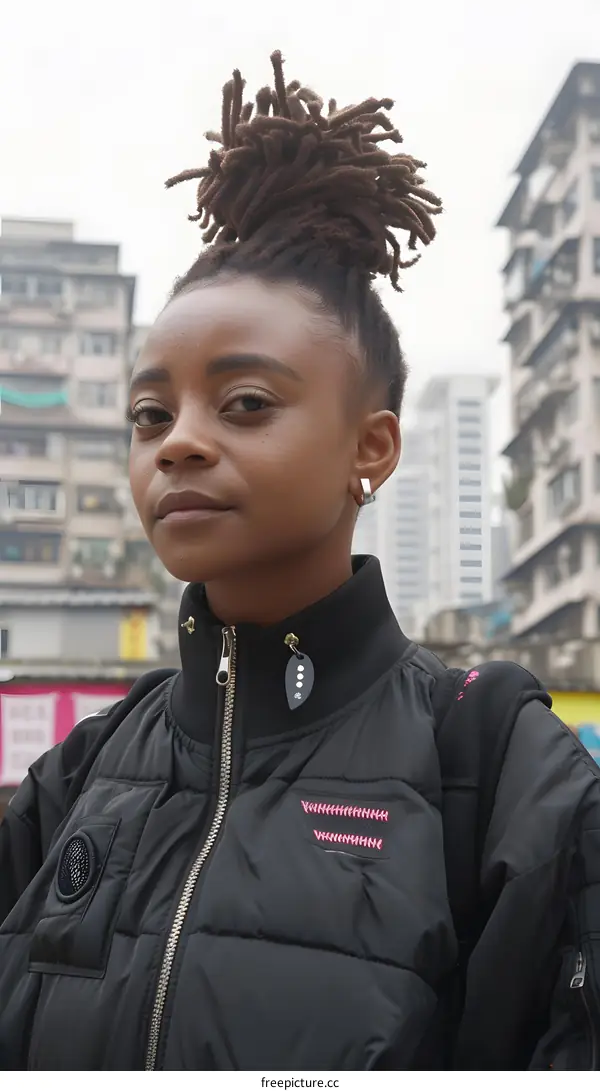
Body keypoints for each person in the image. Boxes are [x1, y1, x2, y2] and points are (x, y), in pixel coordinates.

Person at [1, 51, 599, 1073]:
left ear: (372, 446)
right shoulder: (80, 774)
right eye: (151, 413)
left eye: (244, 403)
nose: (177, 442)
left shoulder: (503, 773)